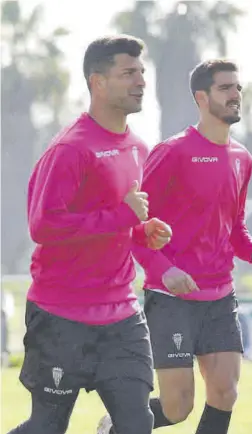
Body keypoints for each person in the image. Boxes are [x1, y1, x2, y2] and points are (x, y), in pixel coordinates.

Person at [97, 59, 252, 434]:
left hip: (220, 296)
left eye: (237, 87)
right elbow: (134, 227)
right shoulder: (173, 152)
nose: (235, 95)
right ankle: (116, 426)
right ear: (202, 97)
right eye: (225, 88)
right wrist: (165, 270)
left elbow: (234, 227)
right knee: (178, 407)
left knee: (225, 392)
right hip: (171, 298)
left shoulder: (242, 158)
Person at [8, 35, 172, 434]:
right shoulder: (70, 149)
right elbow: (43, 226)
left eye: (142, 73)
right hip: (61, 315)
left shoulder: (138, 148)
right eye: (128, 73)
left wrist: (142, 230)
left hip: (122, 314)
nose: (141, 82)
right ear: (98, 83)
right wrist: (121, 216)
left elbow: (123, 224)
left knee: (137, 422)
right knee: (47, 426)